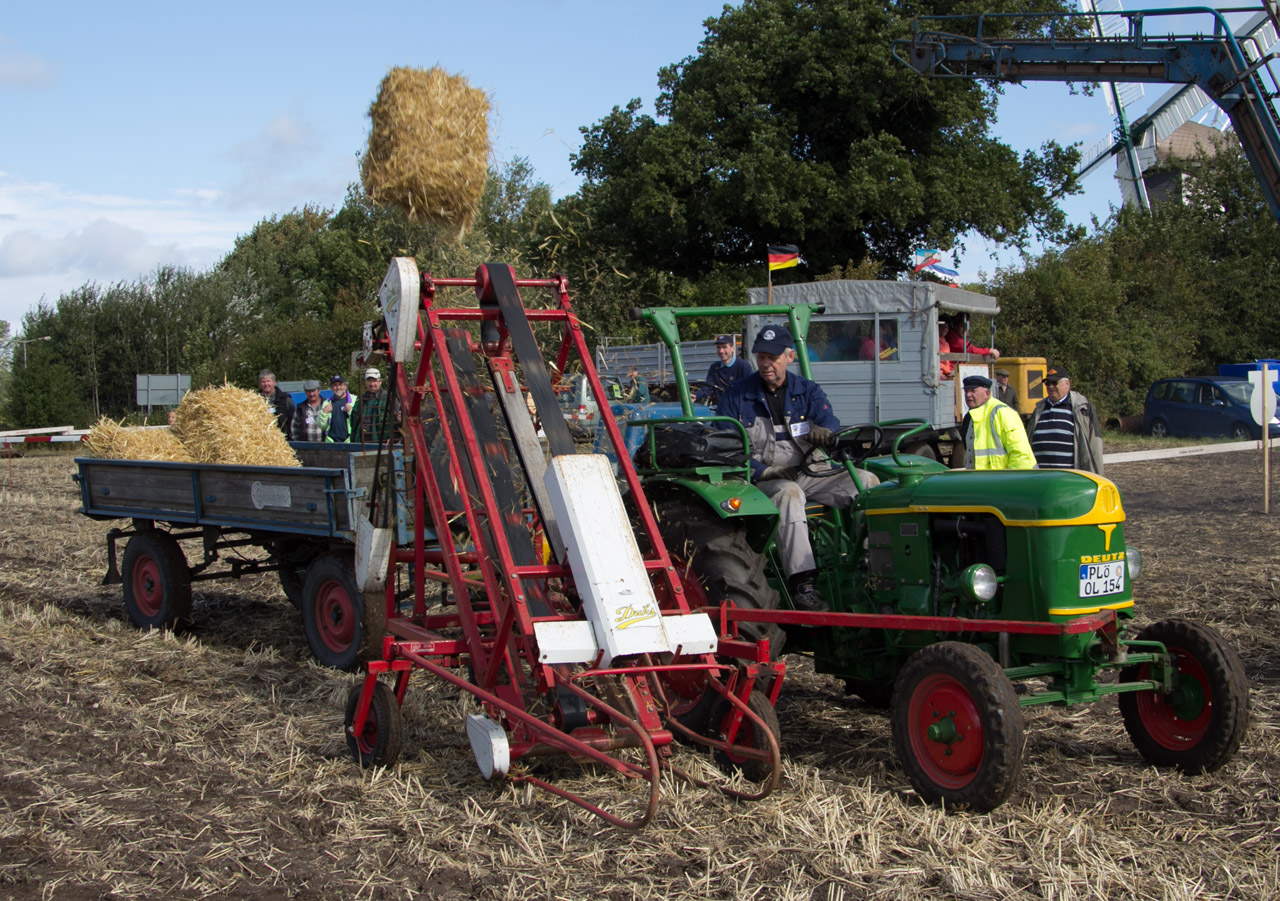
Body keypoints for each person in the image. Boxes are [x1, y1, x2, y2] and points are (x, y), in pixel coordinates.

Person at [719, 324, 880, 612]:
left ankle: (874, 565)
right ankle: (803, 583)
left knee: (867, 482)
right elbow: (725, 445)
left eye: (773, 357)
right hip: (765, 478)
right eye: (761, 357)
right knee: (789, 494)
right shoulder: (736, 396)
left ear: (789, 357)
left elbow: (829, 421)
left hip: (811, 471)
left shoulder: (807, 390)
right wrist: (762, 471)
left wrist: (825, 431)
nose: (766, 364)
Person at [1028, 366, 1105, 474]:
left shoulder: (1082, 408)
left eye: (1054, 383)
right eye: (1047, 383)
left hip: (1069, 478)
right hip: (1040, 477)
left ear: (1067, 384)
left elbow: (1095, 445)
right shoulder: (1039, 409)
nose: (1050, 386)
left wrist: (1097, 475)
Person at [960, 374, 1036, 470]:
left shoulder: (1003, 413)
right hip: (979, 478)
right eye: (966, 391)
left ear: (987, 393)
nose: (968, 395)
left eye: (973, 391)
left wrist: (1015, 478)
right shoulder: (969, 418)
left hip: (1003, 478)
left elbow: (1020, 454)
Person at [696, 335, 753, 405]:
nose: (721, 351)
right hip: (720, 408)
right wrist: (695, 396)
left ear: (732, 348)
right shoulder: (714, 367)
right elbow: (708, 387)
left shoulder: (743, 366)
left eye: (724, 347)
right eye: (718, 347)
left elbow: (750, 390)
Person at [351, 367, 393, 443]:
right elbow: (354, 422)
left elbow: (397, 420)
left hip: (381, 442)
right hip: (361, 442)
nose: (372, 384)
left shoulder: (389, 398)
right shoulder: (360, 400)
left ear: (380, 382)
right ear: (365, 382)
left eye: (374, 381)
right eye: (369, 381)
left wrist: (391, 437)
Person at [258, 369, 294, 435]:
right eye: (263, 382)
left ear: (274, 383)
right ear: (260, 384)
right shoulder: (255, 400)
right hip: (261, 437)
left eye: (268, 381)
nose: (266, 384)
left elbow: (293, 421)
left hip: (282, 437)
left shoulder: (286, 399)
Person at [325, 374, 355, 442]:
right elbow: (322, 426)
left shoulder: (355, 400)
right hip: (331, 441)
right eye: (335, 385)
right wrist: (324, 413)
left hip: (349, 441)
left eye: (340, 385)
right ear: (331, 387)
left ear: (345, 386)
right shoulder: (326, 403)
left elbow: (359, 423)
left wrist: (351, 411)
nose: (338, 388)